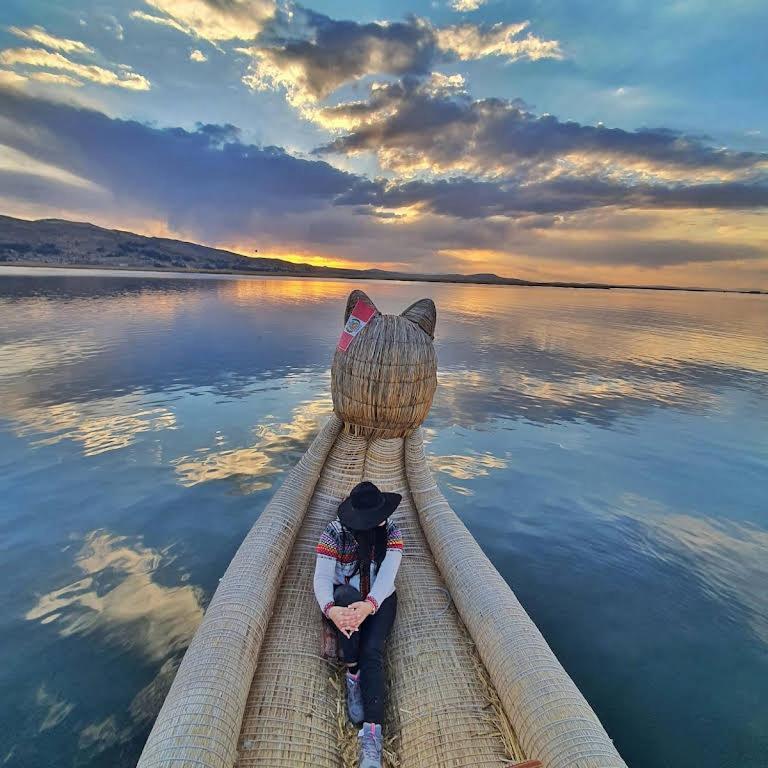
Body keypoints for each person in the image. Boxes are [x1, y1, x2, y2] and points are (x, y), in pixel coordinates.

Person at [313, 480, 404, 768]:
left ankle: (371, 741)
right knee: (346, 602)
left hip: (379, 598)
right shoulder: (334, 533)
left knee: (373, 652)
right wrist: (332, 611)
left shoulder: (391, 533)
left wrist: (370, 606)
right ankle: (353, 675)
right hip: (347, 600)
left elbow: (388, 577)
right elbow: (322, 578)